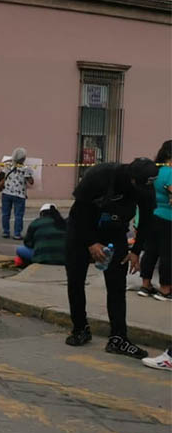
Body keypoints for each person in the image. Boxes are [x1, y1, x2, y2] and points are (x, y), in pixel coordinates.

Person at [63, 157, 159, 359]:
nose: (142, 191)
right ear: (132, 178)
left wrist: (136, 251)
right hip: (82, 229)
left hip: (114, 231)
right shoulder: (101, 175)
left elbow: (148, 219)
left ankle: (118, 338)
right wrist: (91, 243)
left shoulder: (146, 187)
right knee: (76, 280)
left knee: (116, 285)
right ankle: (80, 329)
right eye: (139, 186)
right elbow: (79, 211)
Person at [136, 140, 171, 301]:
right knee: (167, 254)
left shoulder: (156, 170)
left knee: (150, 251)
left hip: (152, 215)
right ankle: (165, 289)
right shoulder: (170, 172)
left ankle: (146, 284)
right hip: (167, 218)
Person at [0, 147, 35, 240]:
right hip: (19, 195)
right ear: (24, 158)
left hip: (6, 193)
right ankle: (17, 234)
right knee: (18, 215)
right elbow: (31, 182)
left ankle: (6, 232)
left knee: (5, 213)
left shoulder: (7, 165)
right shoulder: (26, 169)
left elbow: (1, 176)